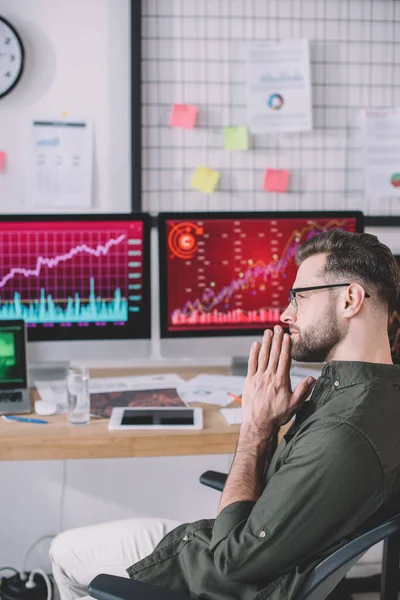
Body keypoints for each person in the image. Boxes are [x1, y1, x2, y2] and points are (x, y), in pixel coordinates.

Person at [50, 229, 400, 600]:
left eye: (299, 297)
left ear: (350, 299)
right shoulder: (368, 397)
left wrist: (255, 427)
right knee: (69, 550)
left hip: (203, 577)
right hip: (210, 545)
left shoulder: (342, 433)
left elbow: (233, 563)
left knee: (66, 555)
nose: (285, 314)